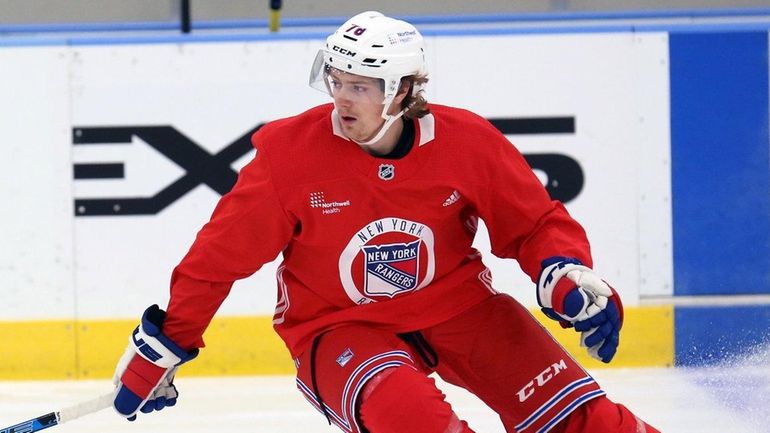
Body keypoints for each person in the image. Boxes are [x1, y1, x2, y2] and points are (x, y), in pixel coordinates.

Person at [111, 11, 660, 433]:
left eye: (361, 87)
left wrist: (564, 271)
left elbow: (534, 223)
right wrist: (165, 346)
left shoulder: (465, 142)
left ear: (402, 91)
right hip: (337, 326)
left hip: (460, 307)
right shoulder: (289, 155)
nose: (342, 100)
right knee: (412, 417)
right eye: (337, 81)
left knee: (586, 421)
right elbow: (217, 259)